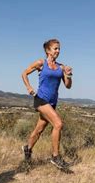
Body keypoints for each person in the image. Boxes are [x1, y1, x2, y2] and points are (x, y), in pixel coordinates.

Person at [21, 39, 73, 169]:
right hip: (41, 99)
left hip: (52, 103)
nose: (58, 51)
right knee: (58, 124)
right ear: (48, 50)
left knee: (39, 130)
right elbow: (24, 73)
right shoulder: (41, 63)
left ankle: (27, 149)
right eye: (55, 48)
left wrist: (68, 75)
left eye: (59, 49)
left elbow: (68, 86)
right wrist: (29, 87)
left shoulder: (61, 67)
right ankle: (55, 157)